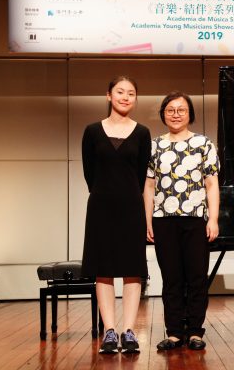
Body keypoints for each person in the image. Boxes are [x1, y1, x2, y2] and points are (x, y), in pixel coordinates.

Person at [144, 90, 220, 351]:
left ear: (190, 114)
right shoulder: (154, 145)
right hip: (163, 220)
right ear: (163, 114)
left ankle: (196, 332)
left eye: (181, 110)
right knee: (171, 278)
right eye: (171, 110)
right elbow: (149, 186)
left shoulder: (203, 143)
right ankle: (175, 332)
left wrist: (213, 219)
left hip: (196, 219)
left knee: (197, 277)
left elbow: (212, 184)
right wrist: (148, 220)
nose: (176, 114)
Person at [81, 75, 151, 354]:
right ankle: (110, 331)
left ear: (135, 99)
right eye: (120, 92)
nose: (125, 97)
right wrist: (107, 192)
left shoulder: (142, 132)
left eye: (131, 93)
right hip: (101, 207)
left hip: (131, 207)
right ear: (109, 95)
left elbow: (141, 175)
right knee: (104, 270)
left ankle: (129, 331)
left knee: (133, 269)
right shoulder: (92, 131)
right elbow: (89, 173)